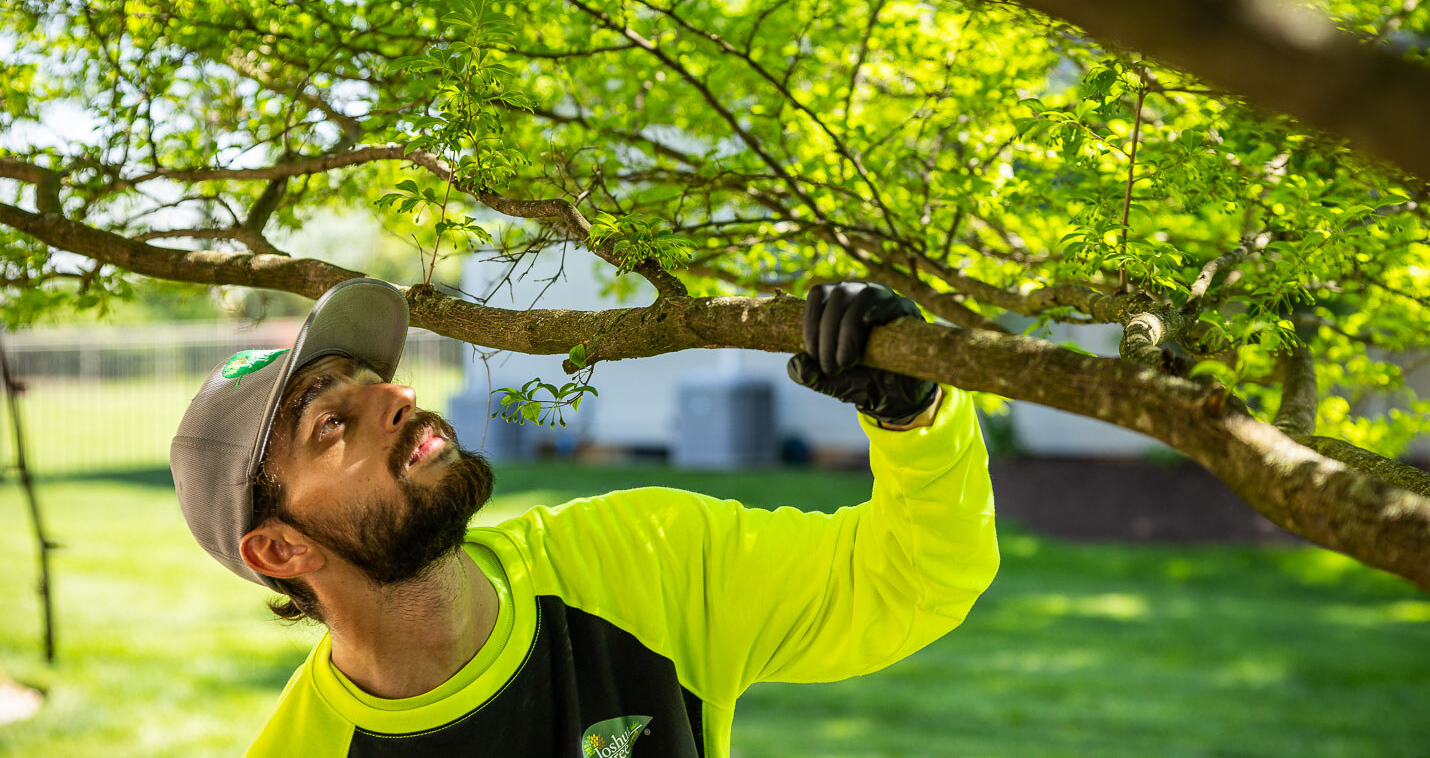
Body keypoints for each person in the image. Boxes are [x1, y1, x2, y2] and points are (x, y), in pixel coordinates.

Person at [170, 277, 998, 757]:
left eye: (372, 379)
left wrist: (912, 414)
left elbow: (915, 579)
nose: (398, 394)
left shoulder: (643, 558)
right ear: (280, 547)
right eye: (332, 423)